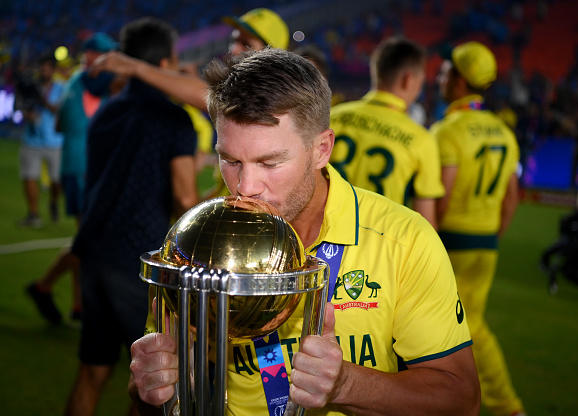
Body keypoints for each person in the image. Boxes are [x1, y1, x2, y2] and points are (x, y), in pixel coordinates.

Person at [128, 48, 480, 416]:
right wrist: (150, 385)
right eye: (230, 160)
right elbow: (155, 390)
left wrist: (346, 383)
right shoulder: (200, 240)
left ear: (321, 149)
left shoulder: (403, 240)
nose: (246, 187)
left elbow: (461, 398)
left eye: (270, 162)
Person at [64, 17, 199, 416]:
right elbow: (184, 195)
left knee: (92, 370)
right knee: (152, 387)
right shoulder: (174, 117)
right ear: (166, 61)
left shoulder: (108, 111)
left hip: (94, 251)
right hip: (139, 263)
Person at [430, 41, 526, 416]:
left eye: (445, 71)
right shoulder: (505, 133)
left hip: (451, 241)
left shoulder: (447, 130)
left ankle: (506, 405)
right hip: (485, 243)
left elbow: (443, 195)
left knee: (467, 328)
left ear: (459, 80)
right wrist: (492, 238)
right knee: (465, 324)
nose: (439, 77)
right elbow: (512, 198)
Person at [26, 32, 119, 326]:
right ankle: (44, 286)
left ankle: (78, 305)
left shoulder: (72, 84)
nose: (112, 62)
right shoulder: (94, 83)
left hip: (73, 165)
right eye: (106, 55)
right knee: (87, 239)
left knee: (84, 236)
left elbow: (59, 123)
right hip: (85, 168)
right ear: (91, 56)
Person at [329, 37, 444, 229]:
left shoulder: (333, 117)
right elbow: (425, 222)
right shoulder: (421, 140)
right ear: (408, 79)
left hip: (326, 235)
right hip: (380, 244)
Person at [88, 7, 289, 110]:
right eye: (234, 40)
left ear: (272, 57)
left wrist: (135, 67)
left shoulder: (278, 97)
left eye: (246, 45)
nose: (233, 50)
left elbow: (212, 98)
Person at [15, 54, 63, 228]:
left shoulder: (61, 88)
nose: (44, 70)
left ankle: (53, 202)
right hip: (31, 139)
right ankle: (33, 214)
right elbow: (19, 106)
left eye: (48, 67)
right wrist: (27, 114)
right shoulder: (29, 85)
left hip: (54, 140)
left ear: (53, 70)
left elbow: (59, 110)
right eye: (42, 67)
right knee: (29, 177)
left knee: (57, 181)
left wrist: (40, 98)